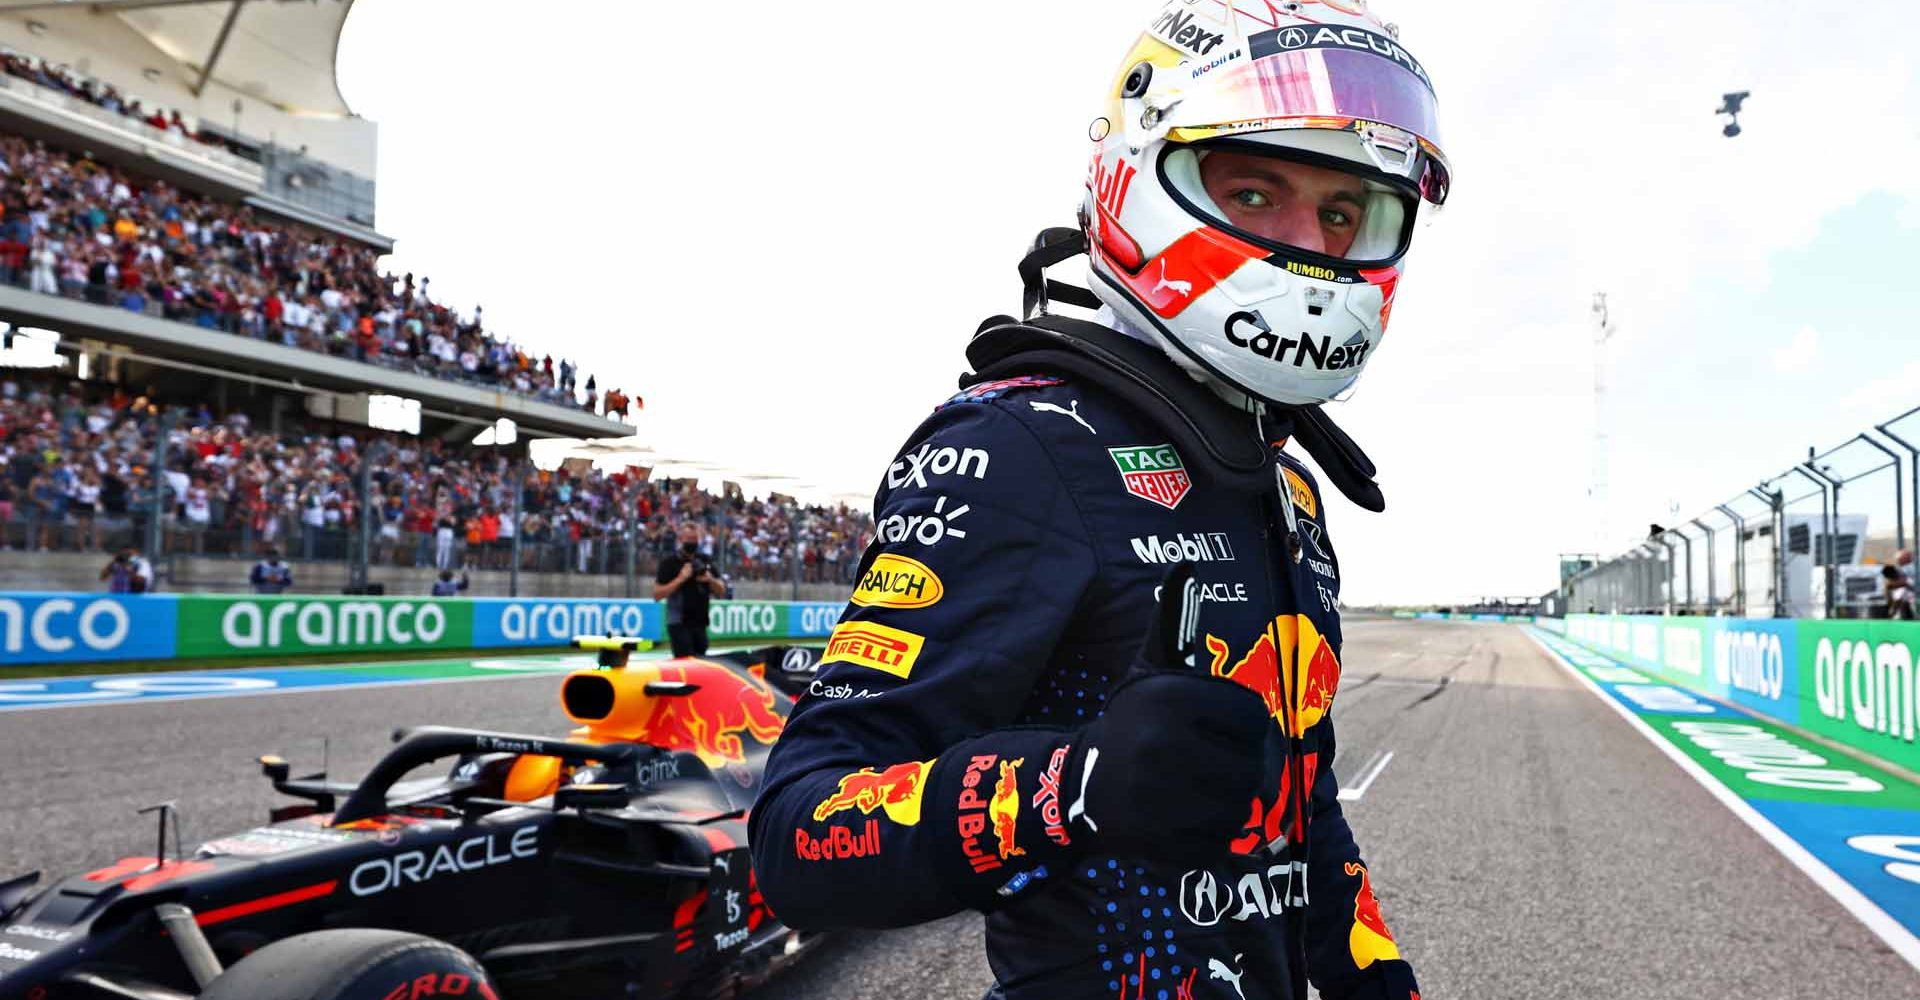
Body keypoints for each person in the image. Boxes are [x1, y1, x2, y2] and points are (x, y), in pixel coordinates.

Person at [750, 5, 1448, 1000]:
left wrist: (1378, 980)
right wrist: (1069, 786)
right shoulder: (1020, 448)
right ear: (1137, 176)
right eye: (1256, 190)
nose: (1313, 245)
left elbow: (1305, 814)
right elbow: (794, 836)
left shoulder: (1284, 482)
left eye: (1345, 213)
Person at [654, 521, 726, 657]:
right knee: (686, 661)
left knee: (701, 662)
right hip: (679, 622)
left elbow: (722, 591)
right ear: (680, 540)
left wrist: (710, 579)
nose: (693, 543)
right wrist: (680, 579)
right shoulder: (669, 563)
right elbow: (657, 594)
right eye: (689, 539)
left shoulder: (705, 561)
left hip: (700, 623)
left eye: (695, 539)